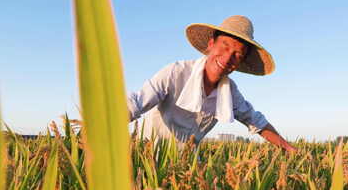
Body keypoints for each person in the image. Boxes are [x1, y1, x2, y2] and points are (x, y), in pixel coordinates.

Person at [127, 15, 296, 153]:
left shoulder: (229, 93)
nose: (228, 58)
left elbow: (257, 122)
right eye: (225, 46)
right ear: (211, 44)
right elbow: (136, 103)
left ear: (240, 62)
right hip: (149, 156)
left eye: (237, 54)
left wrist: (289, 149)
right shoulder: (175, 73)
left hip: (188, 163)